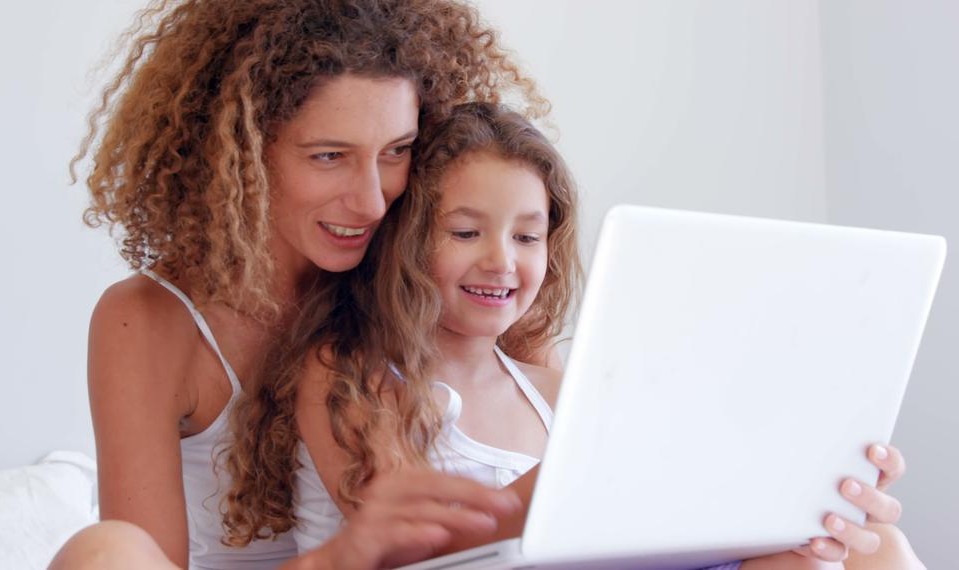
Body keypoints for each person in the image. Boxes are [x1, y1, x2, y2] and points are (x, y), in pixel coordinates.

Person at [222, 102, 922, 569]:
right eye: (466, 232)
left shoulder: (557, 390)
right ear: (403, 240)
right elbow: (405, 544)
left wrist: (810, 492)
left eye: (528, 235)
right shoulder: (351, 375)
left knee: (870, 545)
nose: (502, 259)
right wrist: (574, 483)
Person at [48, 1, 551, 569]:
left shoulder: (430, 285)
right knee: (104, 552)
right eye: (330, 156)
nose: (370, 200)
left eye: (396, 151)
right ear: (240, 151)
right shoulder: (147, 320)